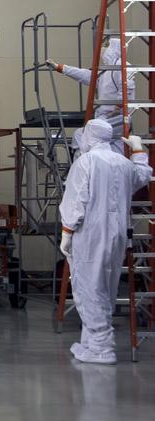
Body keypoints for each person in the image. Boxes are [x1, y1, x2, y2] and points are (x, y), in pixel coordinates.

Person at [59, 118, 152, 364]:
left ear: (90, 135)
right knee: (107, 286)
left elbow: (76, 200)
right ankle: (91, 342)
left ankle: (102, 347)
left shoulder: (86, 162)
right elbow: (143, 175)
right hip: (118, 234)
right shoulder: (122, 162)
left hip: (90, 233)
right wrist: (139, 149)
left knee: (89, 287)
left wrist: (67, 232)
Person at [47, 38, 133, 151]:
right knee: (108, 146)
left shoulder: (121, 66)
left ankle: (85, 164)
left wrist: (118, 107)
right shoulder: (107, 71)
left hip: (117, 118)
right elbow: (85, 75)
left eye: (106, 46)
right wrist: (60, 68)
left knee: (82, 136)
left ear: (112, 48)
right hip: (107, 117)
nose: (103, 49)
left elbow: (128, 86)